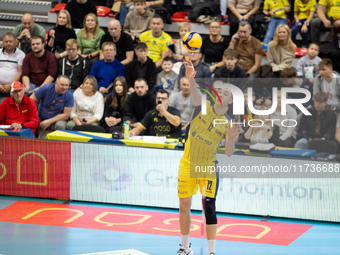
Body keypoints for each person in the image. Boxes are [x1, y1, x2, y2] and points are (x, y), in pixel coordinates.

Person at [177, 59, 242, 255]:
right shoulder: (202, 106)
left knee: (209, 207)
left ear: (230, 101)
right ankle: (185, 247)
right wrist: (191, 78)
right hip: (188, 161)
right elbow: (196, 94)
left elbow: (229, 153)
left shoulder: (230, 123)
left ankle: (211, 252)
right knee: (184, 205)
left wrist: (230, 138)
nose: (220, 94)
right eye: (219, 91)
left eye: (225, 93)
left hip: (207, 166)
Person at [0, 33, 25, 102]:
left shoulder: (21, 54)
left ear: (15, 42)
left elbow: (20, 72)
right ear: (3, 42)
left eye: (10, 41)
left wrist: (10, 85)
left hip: (14, 85)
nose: (8, 43)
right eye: (6, 41)